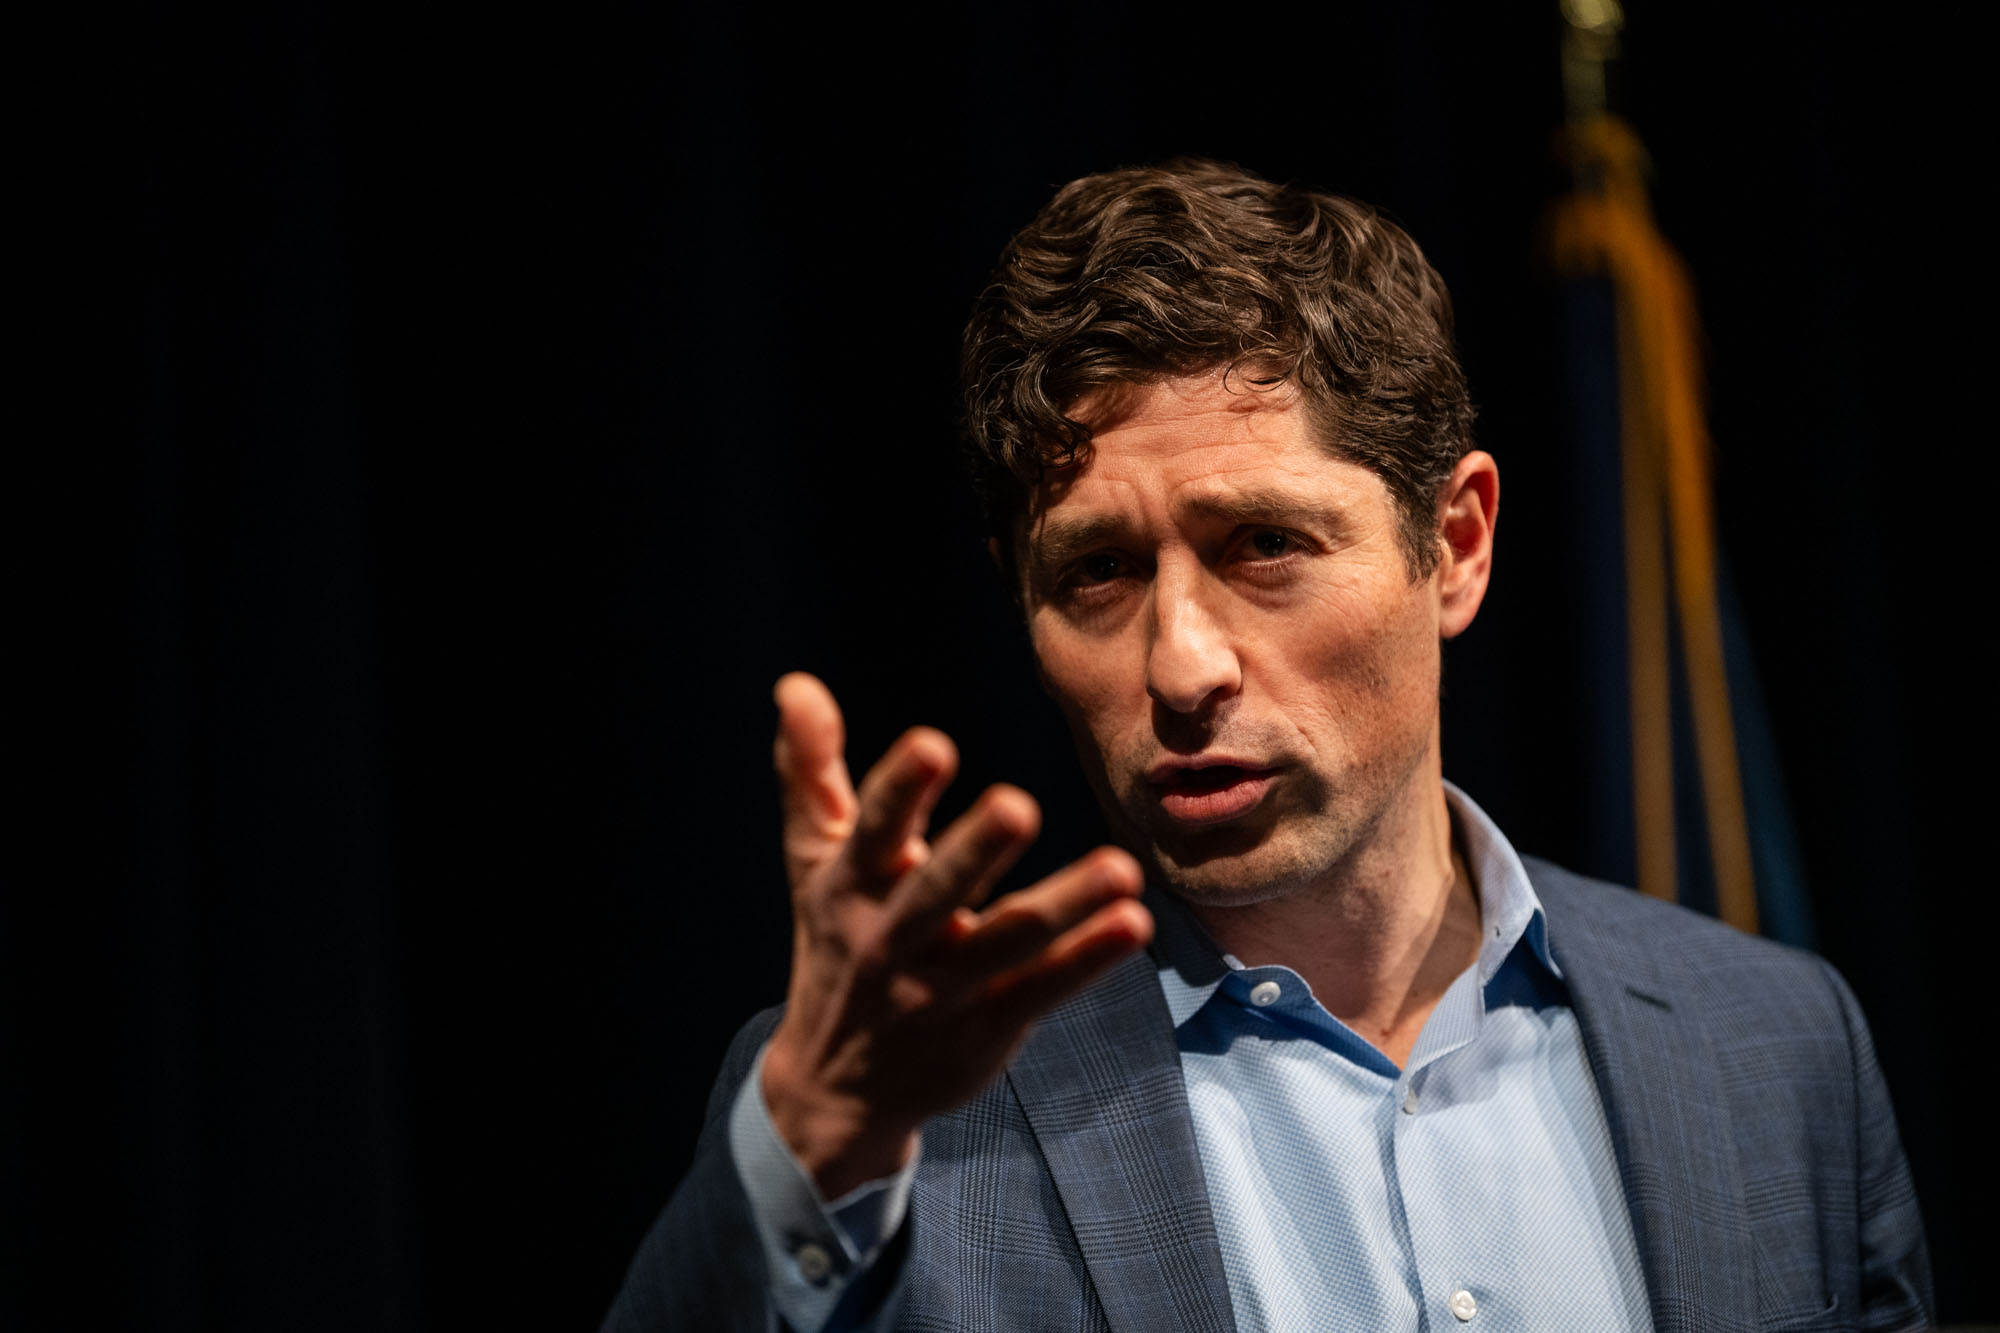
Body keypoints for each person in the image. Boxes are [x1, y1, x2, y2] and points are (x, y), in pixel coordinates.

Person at [601, 159, 1931, 1332]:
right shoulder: (888, 1110)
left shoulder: (1778, 1042)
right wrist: (809, 1154)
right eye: (1100, 573)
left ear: (1455, 544)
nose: (1182, 664)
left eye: (1265, 547)